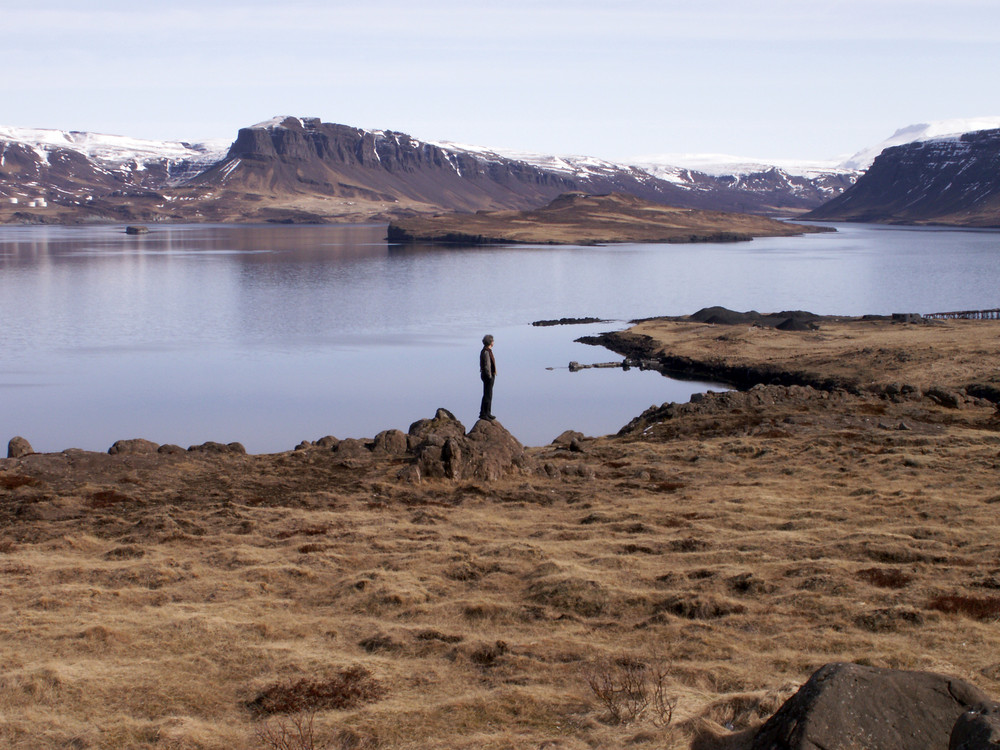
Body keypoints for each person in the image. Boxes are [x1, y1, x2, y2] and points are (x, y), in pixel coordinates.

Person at [479, 334, 497, 420]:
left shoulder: (487, 350)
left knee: (489, 395)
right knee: (487, 395)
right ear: (490, 342)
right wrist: (490, 376)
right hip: (487, 376)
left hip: (488, 375)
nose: (494, 342)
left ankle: (488, 412)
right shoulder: (486, 351)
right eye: (493, 340)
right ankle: (484, 414)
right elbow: (487, 365)